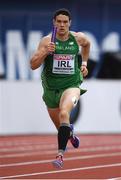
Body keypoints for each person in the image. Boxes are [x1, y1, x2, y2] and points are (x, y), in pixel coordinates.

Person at [30, 8, 90, 168]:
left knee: (64, 113)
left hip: (71, 84)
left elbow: (87, 45)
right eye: (59, 22)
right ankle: (69, 132)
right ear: (54, 23)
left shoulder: (78, 38)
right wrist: (45, 52)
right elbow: (33, 65)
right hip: (50, 88)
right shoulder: (47, 41)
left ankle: (60, 156)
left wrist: (84, 64)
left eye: (65, 22)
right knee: (60, 127)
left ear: (69, 23)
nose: (62, 25)